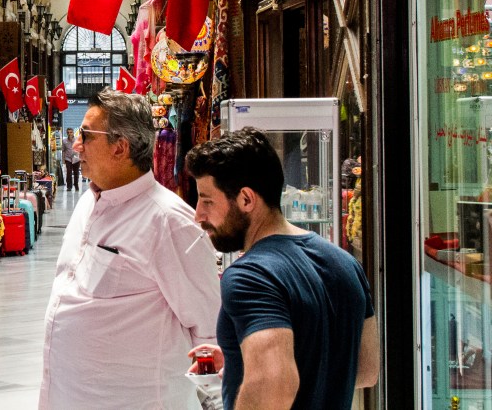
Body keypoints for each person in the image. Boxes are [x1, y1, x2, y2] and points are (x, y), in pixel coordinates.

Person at [40, 89, 220, 409]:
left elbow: (209, 328)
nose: (76, 145)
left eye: (85, 135)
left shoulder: (169, 222)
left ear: (120, 147)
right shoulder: (87, 202)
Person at [185, 127, 380, 410]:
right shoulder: (345, 263)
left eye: (207, 200)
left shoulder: (249, 276)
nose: (198, 215)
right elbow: (365, 369)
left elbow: (273, 388)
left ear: (246, 199)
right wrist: (243, 358)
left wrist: (262, 372)